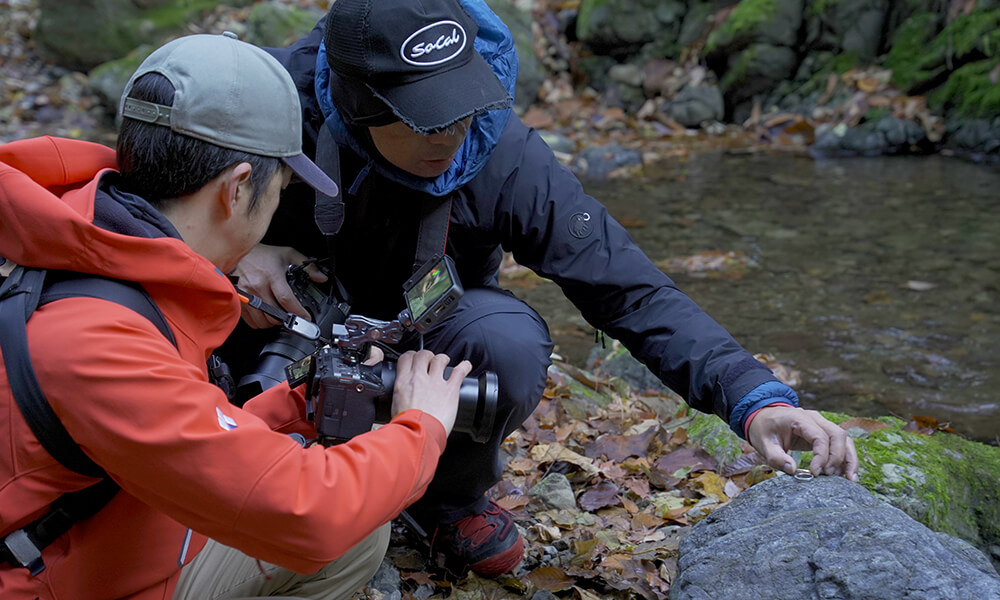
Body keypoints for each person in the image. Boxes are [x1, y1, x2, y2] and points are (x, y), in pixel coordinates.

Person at [222, 0, 859, 579]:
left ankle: (444, 500)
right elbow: (143, 207)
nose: (450, 135)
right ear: (357, 101)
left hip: (427, 341)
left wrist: (753, 398)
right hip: (277, 321)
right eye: (424, 119)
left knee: (506, 341)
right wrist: (232, 247)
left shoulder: (505, 156)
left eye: (461, 106)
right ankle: (228, 462)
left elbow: (630, 291)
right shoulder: (262, 101)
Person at [0, 32, 473, 600]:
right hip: (46, 577)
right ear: (237, 188)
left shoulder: (86, 238)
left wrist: (303, 401)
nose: (276, 208)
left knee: (355, 534)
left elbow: (171, 425)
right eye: (281, 188)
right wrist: (422, 426)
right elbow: (309, 512)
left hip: (100, 528)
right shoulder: (94, 338)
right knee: (344, 535)